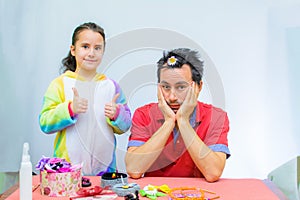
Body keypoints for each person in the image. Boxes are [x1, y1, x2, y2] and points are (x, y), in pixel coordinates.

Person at [39, 22, 131, 176]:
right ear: (73, 50)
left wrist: (117, 114)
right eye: (85, 46)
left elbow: (126, 125)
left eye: (97, 48)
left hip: (105, 170)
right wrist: (69, 110)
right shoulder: (60, 84)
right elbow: (45, 123)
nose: (91, 53)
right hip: (68, 172)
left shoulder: (111, 86)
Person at [125, 48, 230, 182]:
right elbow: (134, 170)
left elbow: (213, 173)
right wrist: (169, 122)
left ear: (198, 87)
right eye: (166, 87)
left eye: (181, 87)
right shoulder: (143, 114)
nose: (172, 97)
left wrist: (183, 121)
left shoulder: (217, 117)